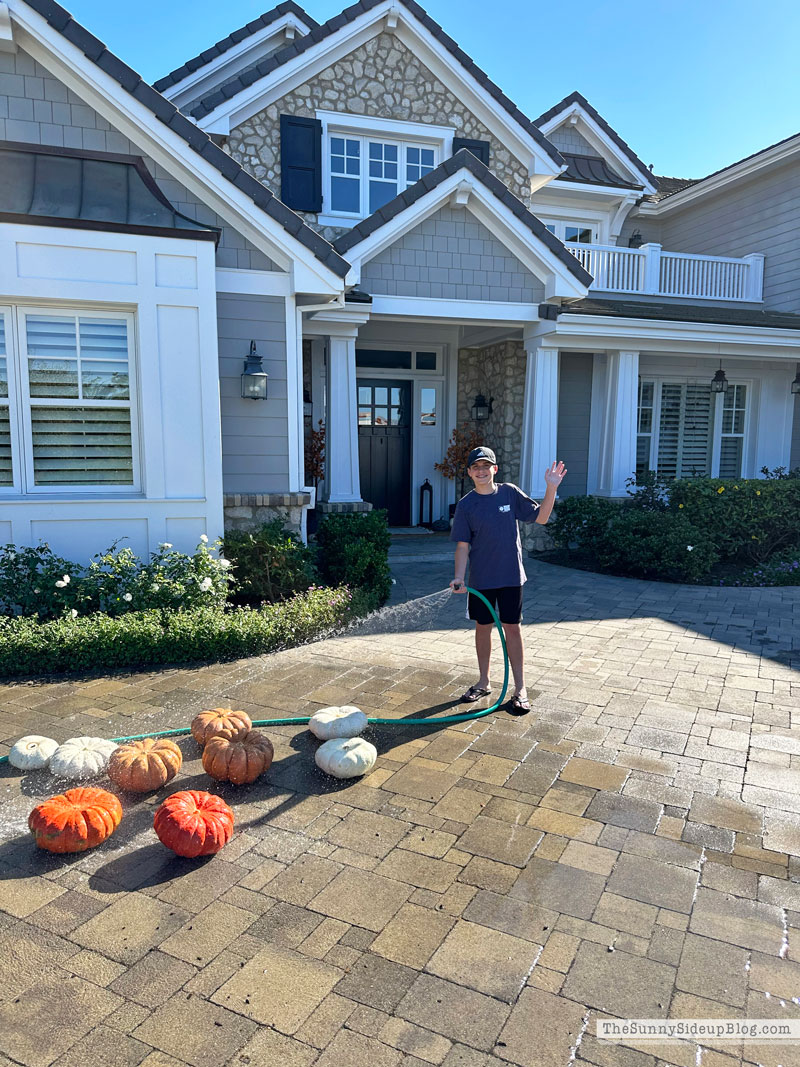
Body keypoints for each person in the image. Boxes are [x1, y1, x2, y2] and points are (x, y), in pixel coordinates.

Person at [449, 446, 566, 713]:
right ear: (469, 472)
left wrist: (551, 488)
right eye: (475, 467)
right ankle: (483, 681)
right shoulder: (466, 506)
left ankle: (520, 688)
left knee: (512, 628)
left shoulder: (509, 493)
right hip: (480, 581)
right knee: (483, 627)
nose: (481, 471)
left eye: (485, 466)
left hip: (511, 577)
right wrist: (458, 576)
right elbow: (463, 546)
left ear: (495, 469)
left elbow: (542, 517)